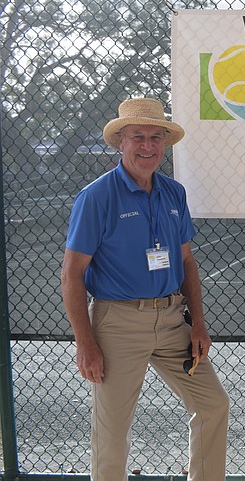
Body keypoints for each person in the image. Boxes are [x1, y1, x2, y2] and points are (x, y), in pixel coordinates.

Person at [61, 98, 230, 481]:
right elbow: (72, 274)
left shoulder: (174, 193)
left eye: (156, 137)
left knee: (213, 404)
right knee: (113, 429)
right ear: (120, 141)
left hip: (172, 321)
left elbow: (186, 261)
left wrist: (198, 323)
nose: (148, 146)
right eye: (138, 136)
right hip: (117, 323)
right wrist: (85, 342)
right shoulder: (96, 197)